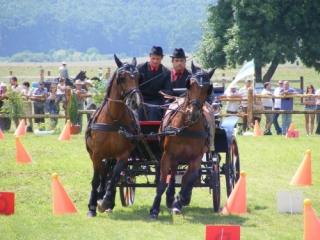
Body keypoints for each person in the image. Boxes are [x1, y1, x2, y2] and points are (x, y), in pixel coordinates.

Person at [138, 46, 172, 120]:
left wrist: (161, 92)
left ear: (161, 58)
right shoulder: (139, 69)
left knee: (154, 110)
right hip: (141, 99)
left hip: (156, 100)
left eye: (158, 59)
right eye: (153, 58)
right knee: (139, 110)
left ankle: (153, 131)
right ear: (149, 57)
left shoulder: (166, 72)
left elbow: (168, 90)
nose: (155, 61)